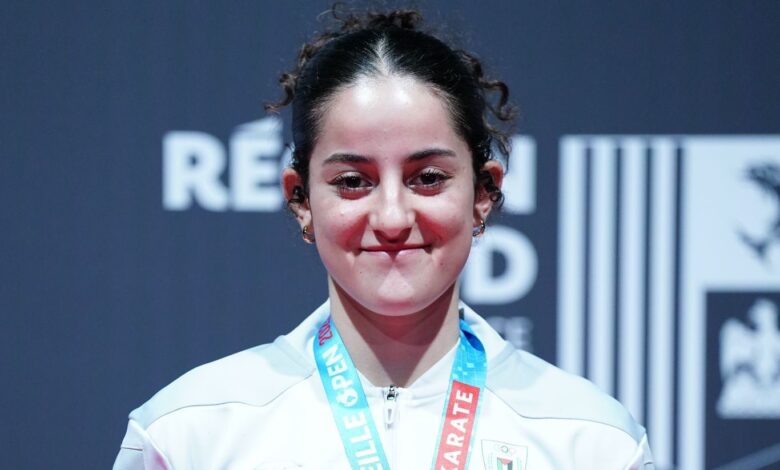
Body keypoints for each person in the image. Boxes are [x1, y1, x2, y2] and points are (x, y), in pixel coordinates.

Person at [113, 7, 653, 470]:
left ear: (484, 192)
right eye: (353, 181)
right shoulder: (192, 433)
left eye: (428, 178)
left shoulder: (590, 441)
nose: (392, 218)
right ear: (300, 199)